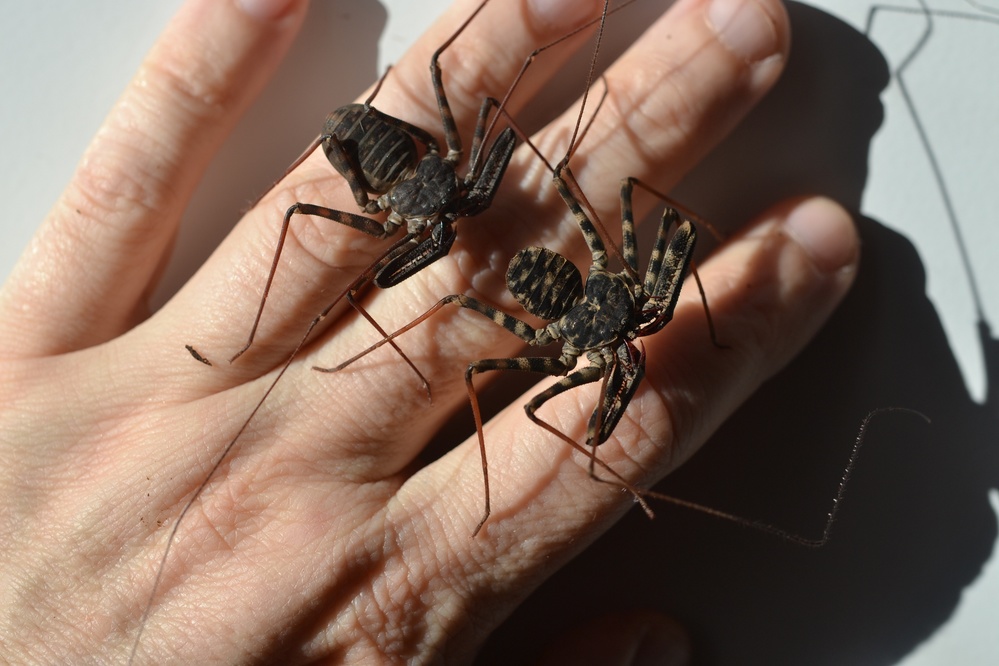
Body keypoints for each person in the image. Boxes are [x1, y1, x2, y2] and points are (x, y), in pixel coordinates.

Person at [0, 0, 858, 662]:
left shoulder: (511, 235)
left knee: (598, 215)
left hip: (521, 249)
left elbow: (641, 220)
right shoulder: (433, 238)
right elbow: (486, 350)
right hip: (444, 219)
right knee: (336, 231)